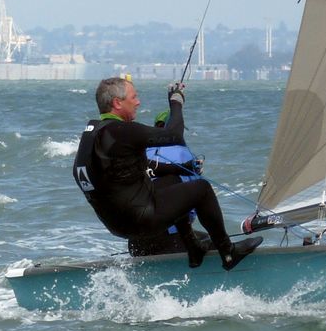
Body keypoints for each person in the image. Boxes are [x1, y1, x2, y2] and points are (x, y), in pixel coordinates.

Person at [73, 77, 260, 270]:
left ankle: (194, 248)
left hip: (117, 224)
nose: (138, 102)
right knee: (201, 189)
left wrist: (180, 167)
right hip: (140, 220)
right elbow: (175, 135)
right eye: (134, 97)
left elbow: (125, 168)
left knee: (171, 181)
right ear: (117, 103)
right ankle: (228, 252)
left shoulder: (93, 135)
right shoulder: (122, 131)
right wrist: (176, 102)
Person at [126, 109, 206, 257]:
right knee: (209, 240)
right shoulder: (184, 154)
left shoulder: (138, 153)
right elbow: (195, 207)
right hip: (168, 239)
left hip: (135, 242)